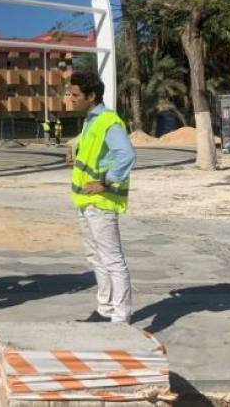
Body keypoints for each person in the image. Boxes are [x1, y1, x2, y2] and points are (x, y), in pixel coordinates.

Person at [67, 71, 136, 324]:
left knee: (112, 259)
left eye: (75, 95)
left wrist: (105, 182)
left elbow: (126, 155)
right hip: (86, 201)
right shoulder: (91, 120)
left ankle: (121, 317)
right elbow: (98, 155)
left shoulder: (108, 121)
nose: (71, 98)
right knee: (95, 258)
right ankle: (104, 310)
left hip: (102, 202)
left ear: (91, 96)